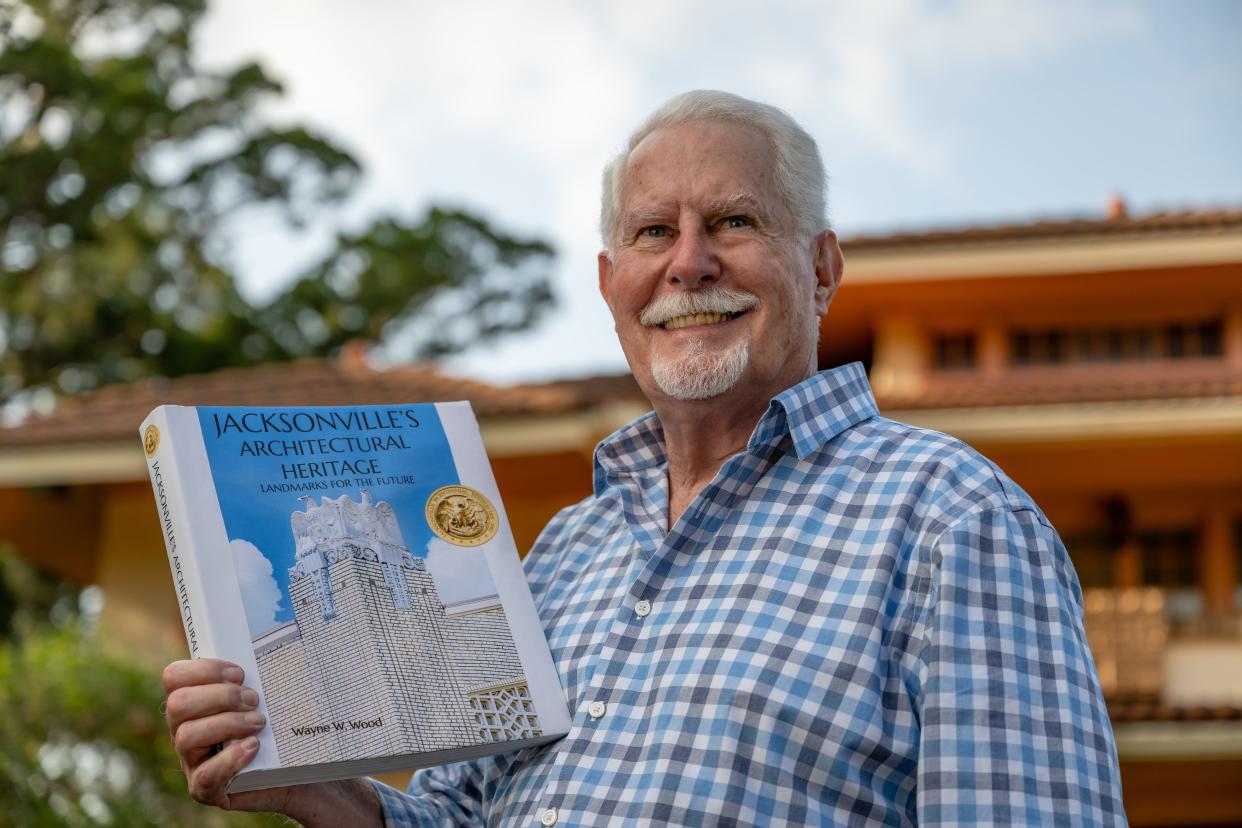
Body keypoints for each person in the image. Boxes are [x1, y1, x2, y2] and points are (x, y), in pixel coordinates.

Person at [162, 90, 1127, 826]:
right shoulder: (559, 553)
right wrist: (323, 790)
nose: (690, 263)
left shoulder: (951, 517)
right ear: (610, 281)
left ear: (823, 267)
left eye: (735, 222)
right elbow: (456, 816)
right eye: (654, 232)